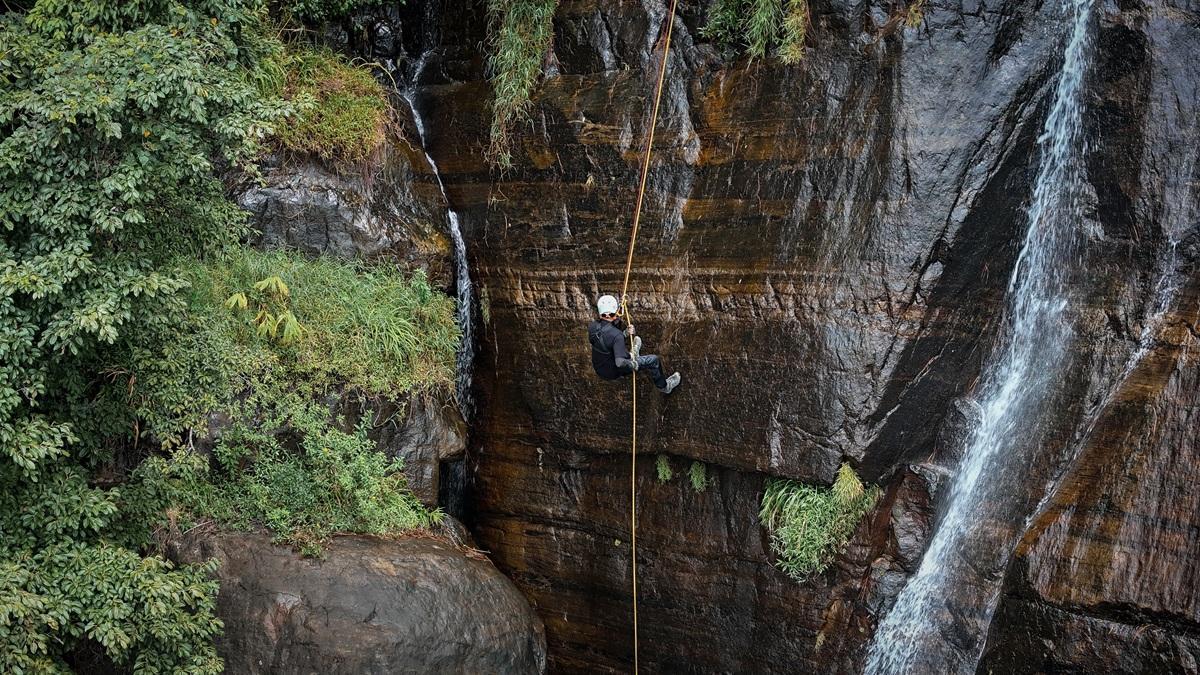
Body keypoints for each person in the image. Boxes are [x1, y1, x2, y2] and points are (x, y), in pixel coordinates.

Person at [588, 294, 681, 394]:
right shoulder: (616, 335)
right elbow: (619, 363)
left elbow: (606, 339)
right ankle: (664, 387)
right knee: (654, 360)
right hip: (612, 372)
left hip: (600, 367)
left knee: (619, 351)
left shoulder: (593, 326)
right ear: (614, 312)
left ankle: (632, 355)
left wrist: (625, 333)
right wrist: (634, 364)